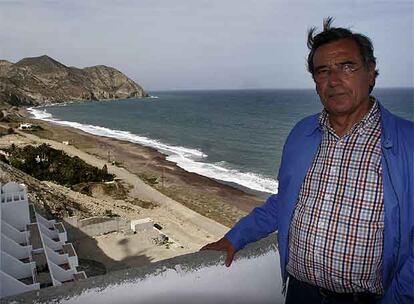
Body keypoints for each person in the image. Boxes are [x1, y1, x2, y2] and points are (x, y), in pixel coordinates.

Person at [201, 17, 413, 304]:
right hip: (301, 294)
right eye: (323, 71)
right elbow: (284, 201)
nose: (334, 81)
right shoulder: (302, 133)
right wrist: (235, 237)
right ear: (315, 81)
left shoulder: (407, 142)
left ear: (371, 73)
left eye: (347, 67)